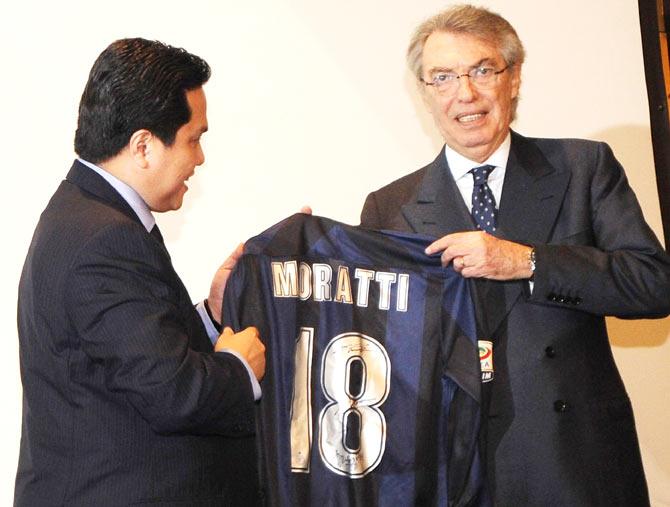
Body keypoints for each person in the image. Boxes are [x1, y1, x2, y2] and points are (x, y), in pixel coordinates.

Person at [360, 5, 670, 506]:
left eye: (482, 70)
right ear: (424, 92)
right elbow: (380, 349)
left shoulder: (583, 168)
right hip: (460, 472)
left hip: (574, 465)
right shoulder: (389, 206)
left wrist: (527, 261)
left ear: (514, 77)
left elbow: (654, 284)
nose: (466, 93)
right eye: (443, 77)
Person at [16, 38, 266, 506]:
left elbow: (135, 357)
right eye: (195, 138)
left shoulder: (90, 216)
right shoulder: (104, 237)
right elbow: (171, 392)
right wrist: (237, 368)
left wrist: (211, 314)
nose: (200, 158)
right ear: (144, 145)